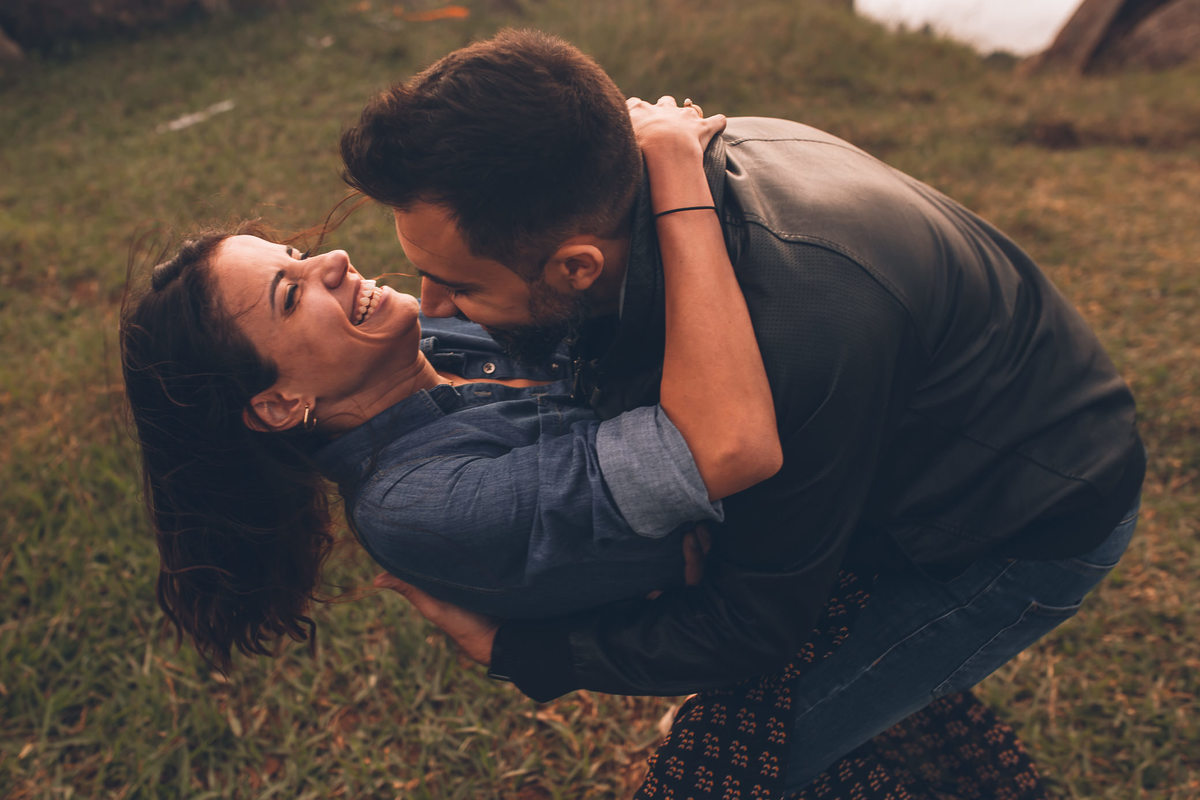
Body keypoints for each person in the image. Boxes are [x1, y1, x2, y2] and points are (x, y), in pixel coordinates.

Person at [339, 29, 1146, 790]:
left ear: (577, 267)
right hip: (900, 464)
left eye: (461, 286)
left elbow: (754, 627)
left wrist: (527, 649)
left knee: (731, 769)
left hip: (1020, 522)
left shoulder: (790, 333)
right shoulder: (653, 176)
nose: (432, 308)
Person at [120, 101, 780, 671]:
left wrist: (604, 150)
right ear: (279, 403)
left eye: (296, 256)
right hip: (789, 596)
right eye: (290, 295)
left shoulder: (431, 338)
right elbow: (721, 447)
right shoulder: (417, 503)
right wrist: (674, 172)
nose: (335, 259)